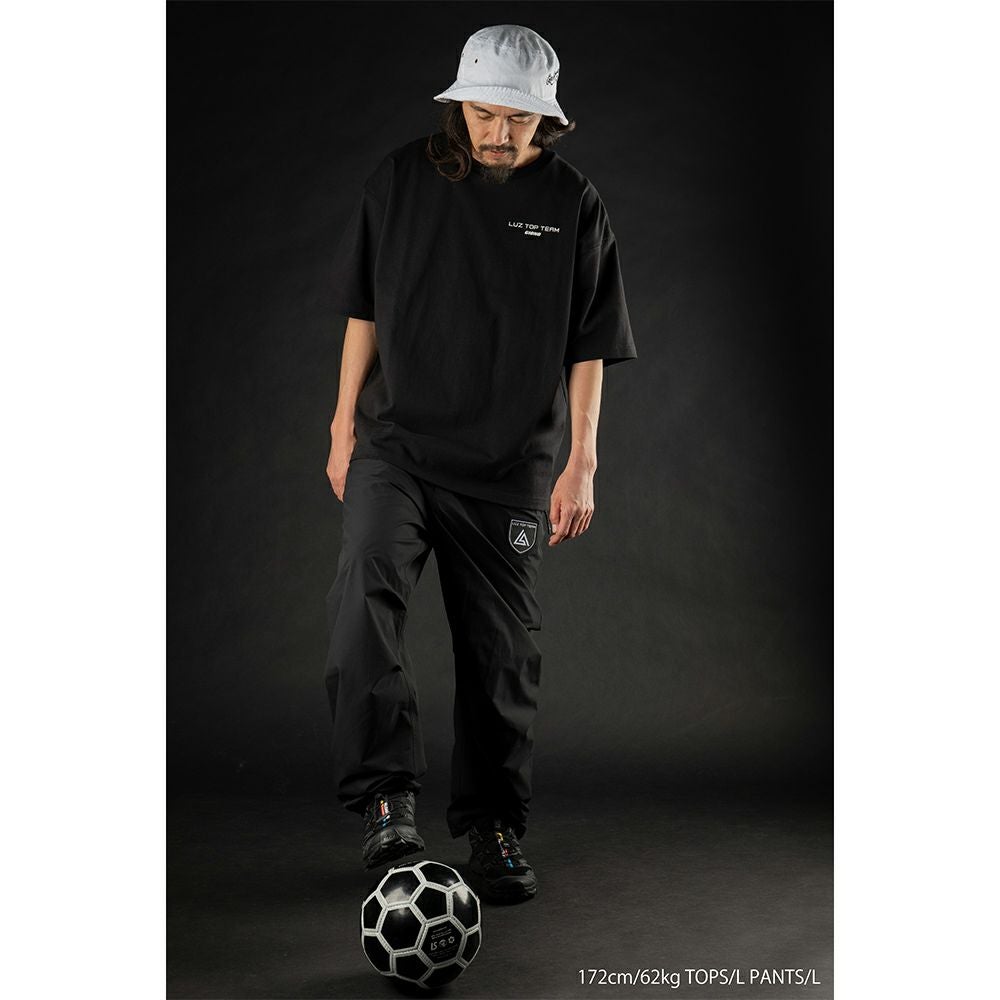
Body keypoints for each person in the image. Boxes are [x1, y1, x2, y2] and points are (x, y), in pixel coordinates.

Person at [323, 23, 637, 903]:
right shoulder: (398, 180)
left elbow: (590, 344)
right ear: (458, 105)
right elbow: (362, 310)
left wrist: (583, 461)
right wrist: (342, 425)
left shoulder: (575, 203)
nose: (499, 134)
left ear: (547, 120)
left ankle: (494, 825)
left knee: (502, 653)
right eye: (485, 115)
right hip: (397, 446)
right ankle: (387, 799)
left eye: (519, 120)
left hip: (507, 466)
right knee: (363, 600)